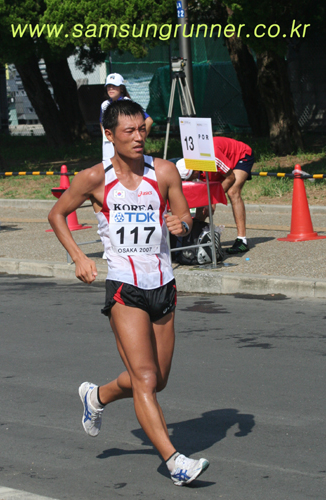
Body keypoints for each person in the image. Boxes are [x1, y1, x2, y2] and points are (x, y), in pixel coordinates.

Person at [48, 100, 209, 486]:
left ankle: (97, 396)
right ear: (109, 134)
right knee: (146, 378)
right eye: (129, 131)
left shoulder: (165, 171)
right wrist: (77, 258)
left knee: (158, 379)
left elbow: (186, 218)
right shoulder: (93, 178)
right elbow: (56, 214)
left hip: (163, 286)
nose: (138, 138)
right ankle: (174, 463)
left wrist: (181, 225)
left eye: (142, 129)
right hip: (124, 287)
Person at [176, 136, 255, 254]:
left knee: (233, 192)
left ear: (195, 170)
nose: (193, 179)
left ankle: (242, 240)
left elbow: (230, 177)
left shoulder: (212, 157)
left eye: (192, 176)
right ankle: (193, 236)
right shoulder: (194, 163)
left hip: (241, 156)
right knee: (203, 200)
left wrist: (212, 201)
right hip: (222, 164)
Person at [99, 73, 153, 161]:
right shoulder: (104, 105)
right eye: (109, 86)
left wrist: (140, 138)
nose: (111, 89)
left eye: (114, 86)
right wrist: (108, 138)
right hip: (107, 149)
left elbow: (149, 120)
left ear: (121, 88)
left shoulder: (128, 103)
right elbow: (102, 122)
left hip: (124, 150)